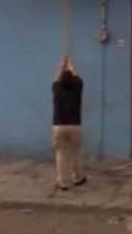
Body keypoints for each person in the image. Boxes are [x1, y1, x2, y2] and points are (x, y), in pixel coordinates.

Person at [52, 56, 86, 190]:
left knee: (60, 154)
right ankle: (78, 178)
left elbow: (56, 77)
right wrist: (71, 63)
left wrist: (62, 64)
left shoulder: (56, 88)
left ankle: (63, 182)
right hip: (75, 126)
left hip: (58, 126)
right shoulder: (77, 87)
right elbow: (76, 75)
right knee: (76, 152)